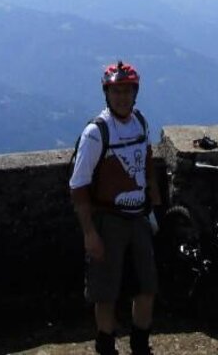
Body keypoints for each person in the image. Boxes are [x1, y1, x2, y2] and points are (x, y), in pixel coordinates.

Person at [69, 61, 161, 355]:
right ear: (106, 94)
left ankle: (140, 344)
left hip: (139, 217)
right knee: (105, 293)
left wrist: (155, 210)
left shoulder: (140, 123)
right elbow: (79, 185)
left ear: (135, 93)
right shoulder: (97, 133)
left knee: (146, 287)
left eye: (127, 91)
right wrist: (89, 233)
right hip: (107, 220)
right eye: (116, 91)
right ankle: (106, 346)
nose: (122, 97)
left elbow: (147, 167)